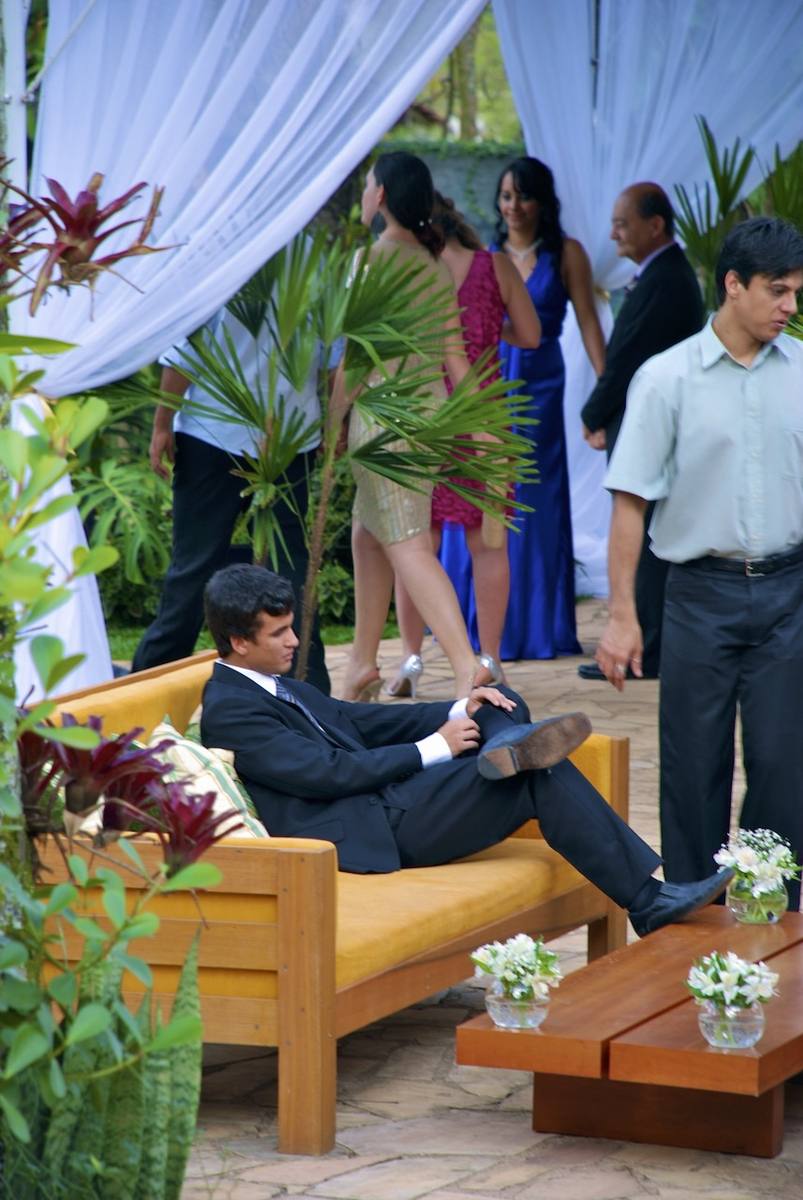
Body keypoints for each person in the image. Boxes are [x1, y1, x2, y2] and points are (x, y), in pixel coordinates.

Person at [200, 563, 731, 938]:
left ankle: (504, 742)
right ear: (239, 641)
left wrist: (457, 710)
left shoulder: (267, 680)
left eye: (292, 627)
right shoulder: (233, 708)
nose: (294, 641)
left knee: (501, 703)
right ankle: (646, 901)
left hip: (388, 799)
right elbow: (328, 772)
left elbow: (361, 719)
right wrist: (435, 745)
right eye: (280, 633)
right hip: (372, 828)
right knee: (535, 773)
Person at [596, 216, 803, 910]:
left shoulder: (801, 370)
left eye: (796, 292)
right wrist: (621, 616)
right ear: (732, 285)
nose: (789, 307)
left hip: (788, 596)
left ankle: (770, 926)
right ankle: (687, 928)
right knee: (691, 776)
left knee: (782, 769)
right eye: (777, 291)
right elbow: (629, 504)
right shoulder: (664, 380)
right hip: (696, 597)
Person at [336, 152, 489, 702]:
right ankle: (360, 663)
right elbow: (456, 359)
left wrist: (332, 421)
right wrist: (483, 426)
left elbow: (354, 362)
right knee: (369, 537)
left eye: (367, 184)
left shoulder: (371, 261)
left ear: (380, 197)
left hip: (385, 422)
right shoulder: (432, 265)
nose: (363, 193)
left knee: (407, 548)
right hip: (428, 420)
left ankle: (469, 667)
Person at [443, 156, 606, 662]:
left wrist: (608, 393)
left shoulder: (568, 254)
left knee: (533, 504)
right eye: (507, 196)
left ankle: (534, 628)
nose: (513, 206)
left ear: (543, 202)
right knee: (481, 501)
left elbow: (588, 324)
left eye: (524, 196)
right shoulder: (483, 255)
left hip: (540, 386)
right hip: (488, 384)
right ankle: (476, 623)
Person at [131, 305, 330, 694]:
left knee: (194, 566)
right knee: (290, 567)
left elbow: (185, 352)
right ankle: (310, 690)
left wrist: (161, 423)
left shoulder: (226, 256)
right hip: (289, 433)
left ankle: (147, 691)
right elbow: (332, 358)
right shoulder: (313, 256)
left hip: (215, 430)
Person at [389, 192, 542, 696]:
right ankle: (489, 657)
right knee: (488, 545)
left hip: (420, 415)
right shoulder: (494, 266)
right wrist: (484, 329)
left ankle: (412, 660)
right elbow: (532, 334)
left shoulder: (410, 270)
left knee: (416, 543)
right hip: (483, 415)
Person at [577, 183, 705, 682]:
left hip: (649, 426)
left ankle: (646, 648)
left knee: (646, 534)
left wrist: (593, 413)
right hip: (646, 421)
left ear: (655, 226)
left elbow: (626, 356)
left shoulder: (666, 277)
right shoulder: (659, 274)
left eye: (622, 223)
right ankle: (646, 644)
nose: (613, 233)